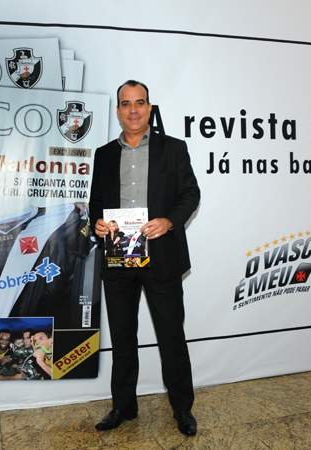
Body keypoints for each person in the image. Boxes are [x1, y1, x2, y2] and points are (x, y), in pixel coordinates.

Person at [89, 80, 200, 436]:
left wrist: (169, 221)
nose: (133, 110)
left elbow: (190, 193)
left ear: (149, 108)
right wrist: (98, 224)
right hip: (118, 260)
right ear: (118, 110)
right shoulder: (104, 154)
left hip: (162, 258)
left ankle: (182, 408)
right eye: (126, 104)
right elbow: (95, 204)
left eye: (140, 103)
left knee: (171, 337)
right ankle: (123, 406)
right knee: (123, 339)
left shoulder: (174, 148)